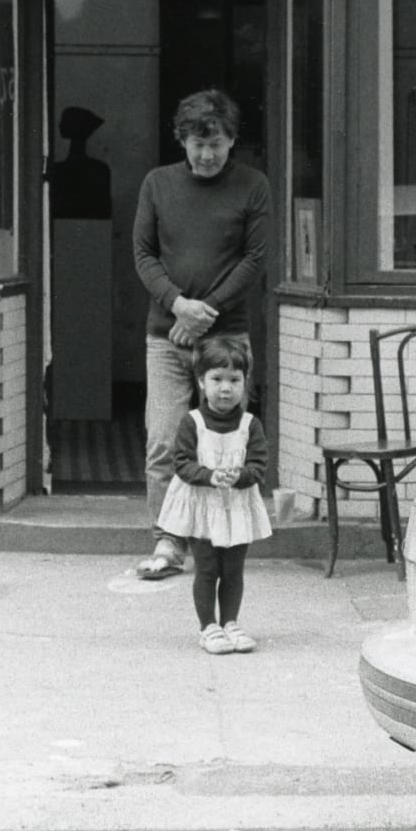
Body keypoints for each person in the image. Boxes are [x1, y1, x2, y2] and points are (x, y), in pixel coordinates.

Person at [132, 88, 270, 580]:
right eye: (197, 143)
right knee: (164, 441)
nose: (207, 154)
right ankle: (167, 542)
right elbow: (144, 254)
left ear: (233, 140)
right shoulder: (157, 184)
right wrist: (178, 306)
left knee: (227, 440)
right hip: (165, 335)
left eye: (216, 144)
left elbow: (254, 259)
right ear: (182, 140)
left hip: (226, 338)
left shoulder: (253, 186)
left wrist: (205, 311)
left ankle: (224, 536)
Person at [156, 335, 272, 654]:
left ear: (245, 382)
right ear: (201, 382)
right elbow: (182, 463)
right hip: (202, 506)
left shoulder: (251, 425)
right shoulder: (192, 422)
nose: (225, 388)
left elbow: (258, 464)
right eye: (217, 379)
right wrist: (209, 475)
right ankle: (208, 626)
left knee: (233, 568)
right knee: (207, 567)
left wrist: (241, 475)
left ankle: (230, 621)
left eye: (234, 380)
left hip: (237, 505)